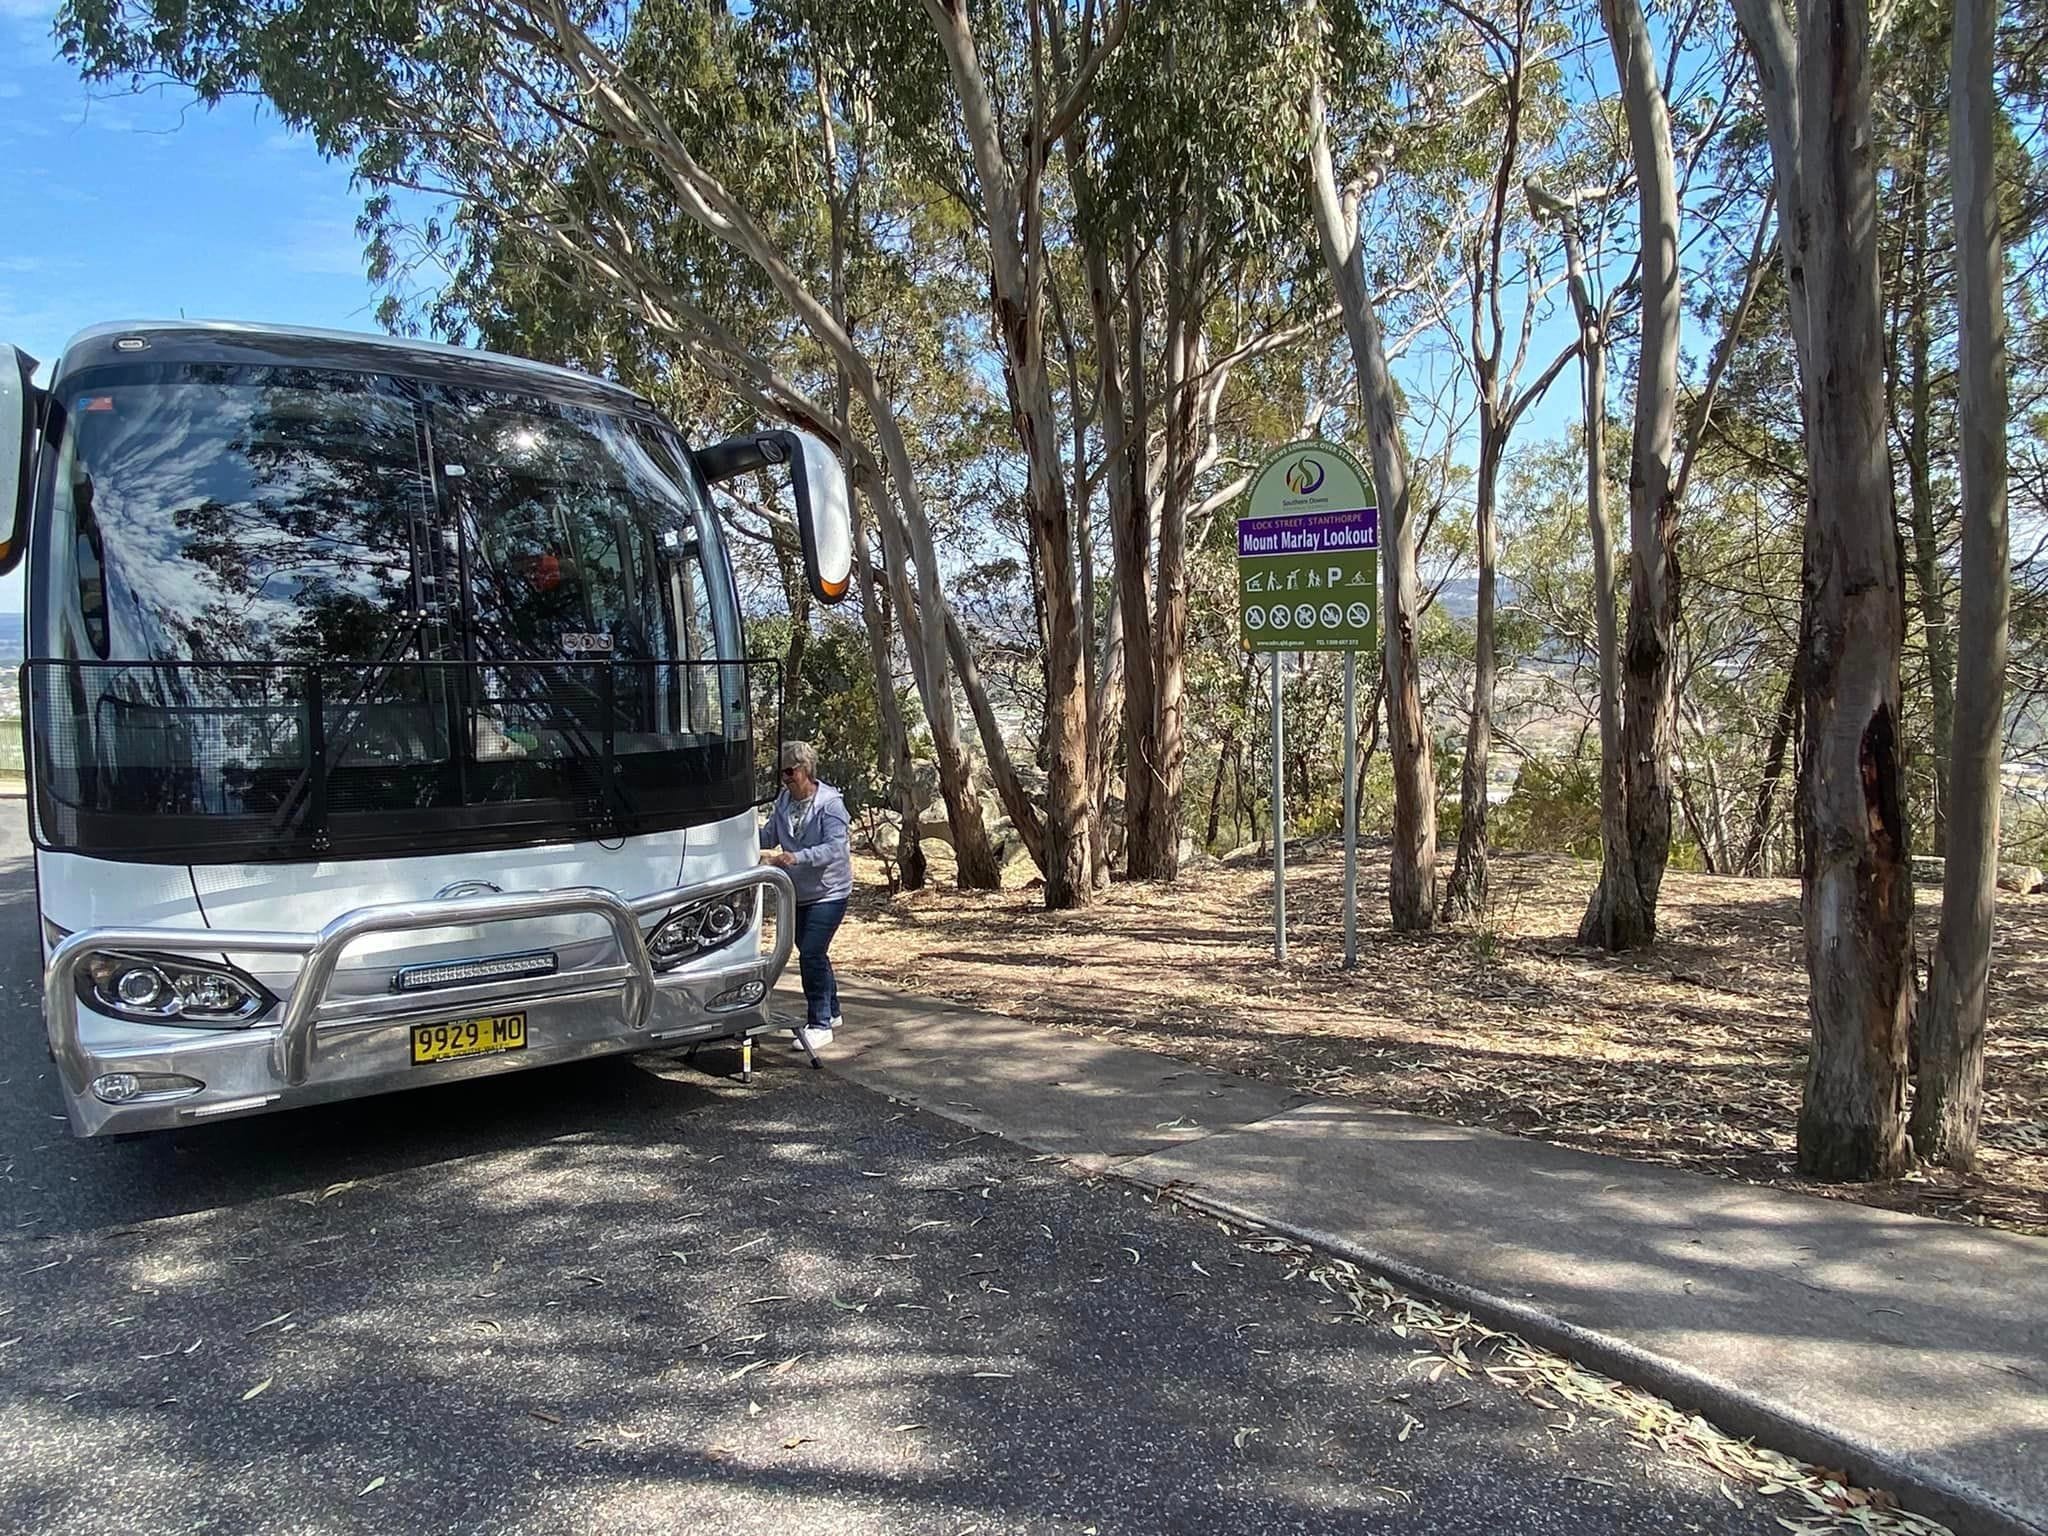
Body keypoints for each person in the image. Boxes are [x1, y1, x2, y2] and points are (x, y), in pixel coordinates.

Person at [759, 741, 852, 1051]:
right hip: (796, 893)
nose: (785, 778)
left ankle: (819, 1023)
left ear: (806, 770)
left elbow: (836, 848)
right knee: (813, 951)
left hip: (830, 893)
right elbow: (770, 834)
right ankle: (834, 1010)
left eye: (790, 771)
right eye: (782, 772)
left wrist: (797, 857)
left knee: (810, 952)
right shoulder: (784, 801)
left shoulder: (830, 805)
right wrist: (740, 833)